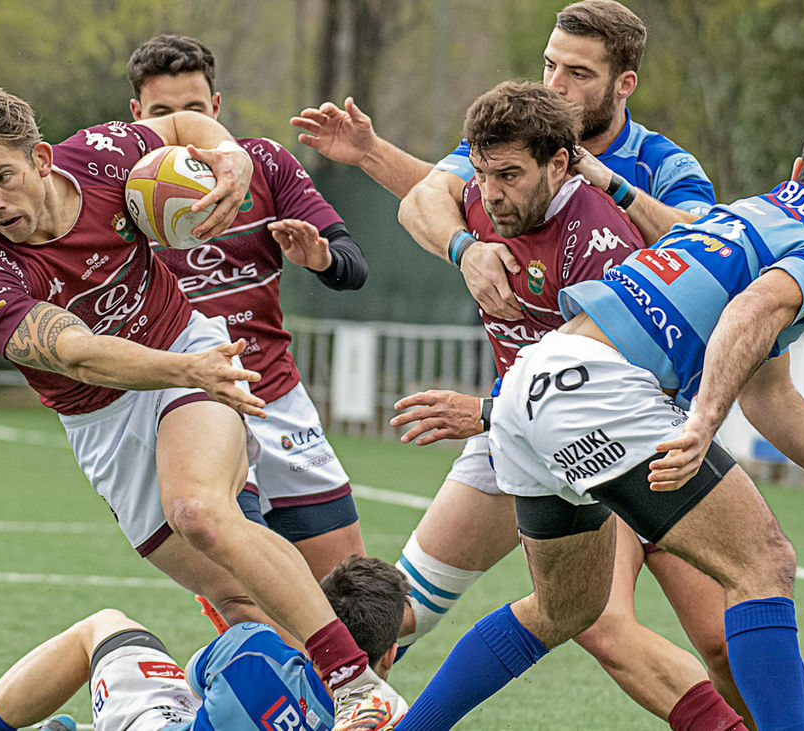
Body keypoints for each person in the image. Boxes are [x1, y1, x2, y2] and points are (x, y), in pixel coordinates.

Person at [294, 1, 748, 724]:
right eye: (549, 65)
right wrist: (462, 246)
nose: (557, 83)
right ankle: (318, 708)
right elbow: (438, 197)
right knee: (416, 610)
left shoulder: (658, 169)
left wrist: (612, 186)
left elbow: (711, 245)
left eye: (579, 72)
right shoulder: (512, 141)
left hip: (636, 422)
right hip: (519, 422)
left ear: (623, 83)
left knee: (716, 639)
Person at [395, 113, 804, 731]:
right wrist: (702, 421)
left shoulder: (743, 215)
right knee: (763, 564)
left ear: (798, 171)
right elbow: (749, 312)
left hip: (531, 382)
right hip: (601, 393)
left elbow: (769, 394)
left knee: (565, 610)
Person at [0, 85, 398, 716]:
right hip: (104, 415)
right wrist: (187, 370)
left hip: (182, 345)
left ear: (41, 158)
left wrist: (230, 158)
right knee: (238, 599)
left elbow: (179, 127)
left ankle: (358, 687)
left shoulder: (99, 154)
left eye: (2, 177)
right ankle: (321, 708)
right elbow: (76, 353)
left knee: (199, 512)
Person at [0, 34, 372, 584]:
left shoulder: (263, 164)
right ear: (139, 116)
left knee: (350, 587)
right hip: (177, 389)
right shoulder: (124, 184)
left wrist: (323, 259)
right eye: (161, 113)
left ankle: (338, 641)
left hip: (274, 394)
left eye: (193, 107)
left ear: (215, 108)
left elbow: (352, 267)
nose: (179, 121)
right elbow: (52, 279)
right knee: (236, 567)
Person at [0, 557, 407, 731]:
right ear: (388, 654)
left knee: (102, 626)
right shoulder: (395, 720)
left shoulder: (254, 647)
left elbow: (193, 681)